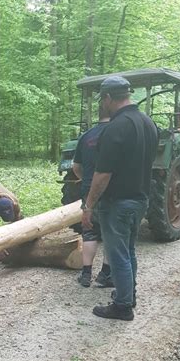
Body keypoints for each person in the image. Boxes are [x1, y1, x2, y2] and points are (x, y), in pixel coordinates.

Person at [82, 75, 158, 320]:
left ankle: (123, 306)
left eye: (101, 100)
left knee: (118, 254)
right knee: (129, 250)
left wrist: (89, 205)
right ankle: (129, 294)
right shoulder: (148, 123)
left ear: (107, 98)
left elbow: (103, 173)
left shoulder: (116, 127)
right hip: (140, 199)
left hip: (118, 202)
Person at [72, 105, 113, 288]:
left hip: (89, 191)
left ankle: (86, 273)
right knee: (110, 233)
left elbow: (76, 167)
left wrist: (88, 181)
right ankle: (105, 274)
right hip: (112, 191)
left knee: (89, 232)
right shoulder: (117, 133)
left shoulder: (86, 136)